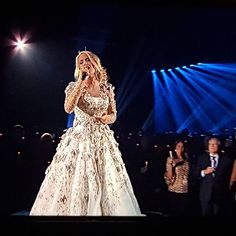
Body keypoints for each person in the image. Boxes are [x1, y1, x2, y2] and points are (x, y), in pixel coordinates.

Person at [30, 50, 142, 216]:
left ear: (94, 62)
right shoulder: (74, 87)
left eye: (86, 60)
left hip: (102, 138)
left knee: (105, 177)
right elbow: (68, 108)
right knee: (80, 177)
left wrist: (104, 118)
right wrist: (81, 85)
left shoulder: (107, 88)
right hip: (81, 139)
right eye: (80, 62)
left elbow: (113, 115)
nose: (84, 64)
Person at [195, 137, 234, 217]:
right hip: (205, 194)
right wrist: (204, 172)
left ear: (218, 146)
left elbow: (228, 177)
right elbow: (195, 174)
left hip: (219, 194)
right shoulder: (202, 158)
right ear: (208, 146)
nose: (212, 146)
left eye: (215, 144)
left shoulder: (226, 160)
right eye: (210, 144)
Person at [164, 140, 190, 216]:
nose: (180, 148)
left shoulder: (186, 158)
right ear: (175, 147)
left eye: (182, 146)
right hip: (174, 189)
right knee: (174, 212)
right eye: (178, 146)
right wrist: (170, 165)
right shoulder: (171, 158)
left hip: (185, 190)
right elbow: (169, 176)